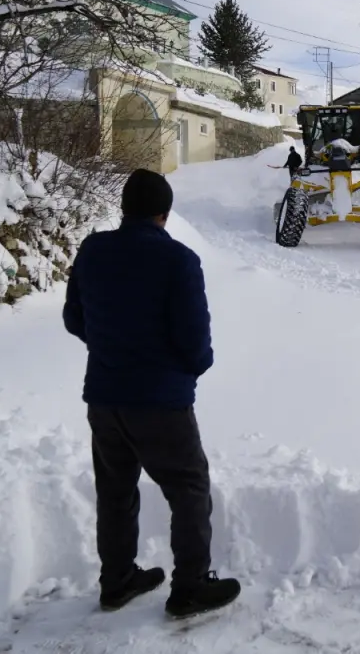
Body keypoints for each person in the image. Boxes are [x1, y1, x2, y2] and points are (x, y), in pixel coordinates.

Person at [63, 168, 241, 619]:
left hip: (104, 398)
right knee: (188, 488)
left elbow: (73, 319)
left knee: (115, 489)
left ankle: (118, 581)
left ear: (125, 209)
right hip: (161, 402)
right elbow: (194, 341)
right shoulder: (178, 260)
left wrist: (109, 347)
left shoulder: (92, 250)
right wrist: (189, 369)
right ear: (165, 212)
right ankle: (190, 588)